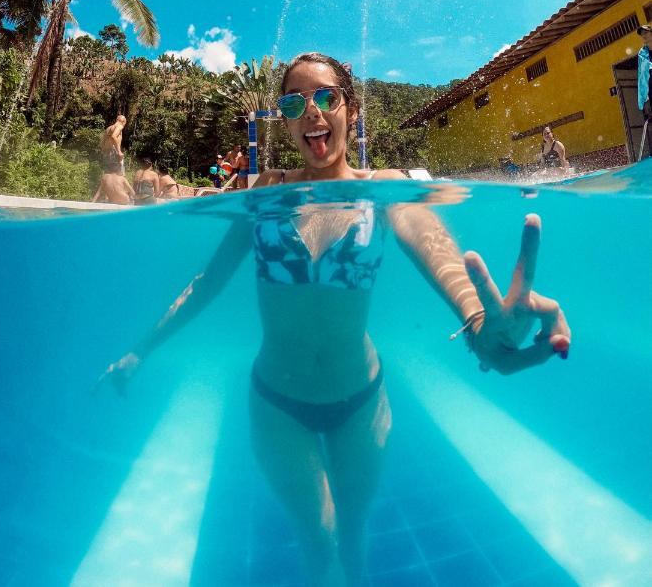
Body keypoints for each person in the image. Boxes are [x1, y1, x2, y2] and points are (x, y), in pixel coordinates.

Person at [100, 52, 571, 586]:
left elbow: (436, 247)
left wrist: (480, 320)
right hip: (278, 406)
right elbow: (207, 282)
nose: (312, 112)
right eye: (294, 101)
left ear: (350, 108)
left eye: (327, 97)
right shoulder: (264, 192)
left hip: (361, 401)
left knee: (354, 534)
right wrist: (141, 349)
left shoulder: (385, 188)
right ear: (283, 116)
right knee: (318, 539)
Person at [636, 25, 652, 158]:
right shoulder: (642, 54)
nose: (644, 36)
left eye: (646, 32)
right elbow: (641, 78)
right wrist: (643, 101)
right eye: (642, 34)